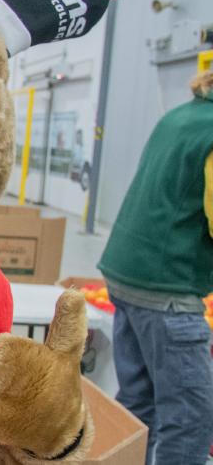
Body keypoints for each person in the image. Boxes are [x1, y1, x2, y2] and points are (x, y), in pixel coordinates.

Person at [98, 68, 213, 465]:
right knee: (191, 417)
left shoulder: (180, 116)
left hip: (127, 275)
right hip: (167, 289)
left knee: (138, 404)